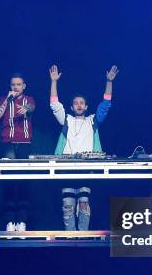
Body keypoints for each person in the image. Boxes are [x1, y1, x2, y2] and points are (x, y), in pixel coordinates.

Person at [49, 65, 118, 230]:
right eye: (76, 103)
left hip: (86, 168)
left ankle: (83, 236)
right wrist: (53, 82)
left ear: (86, 107)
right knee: (67, 204)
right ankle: (70, 237)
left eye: (82, 103)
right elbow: (55, 105)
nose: (79, 105)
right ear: (72, 108)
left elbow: (105, 105)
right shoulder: (67, 120)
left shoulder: (92, 121)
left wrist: (109, 82)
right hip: (66, 168)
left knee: (84, 203)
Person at [0, 74, 36, 231]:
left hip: (24, 143)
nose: (15, 87)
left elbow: (30, 109)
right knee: (9, 181)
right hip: (8, 143)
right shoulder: (3, 99)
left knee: (24, 180)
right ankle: (10, 221)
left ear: (24, 86)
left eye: (18, 84)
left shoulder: (29, 99)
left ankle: (22, 221)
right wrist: (7, 100)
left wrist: (27, 109)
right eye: (13, 85)